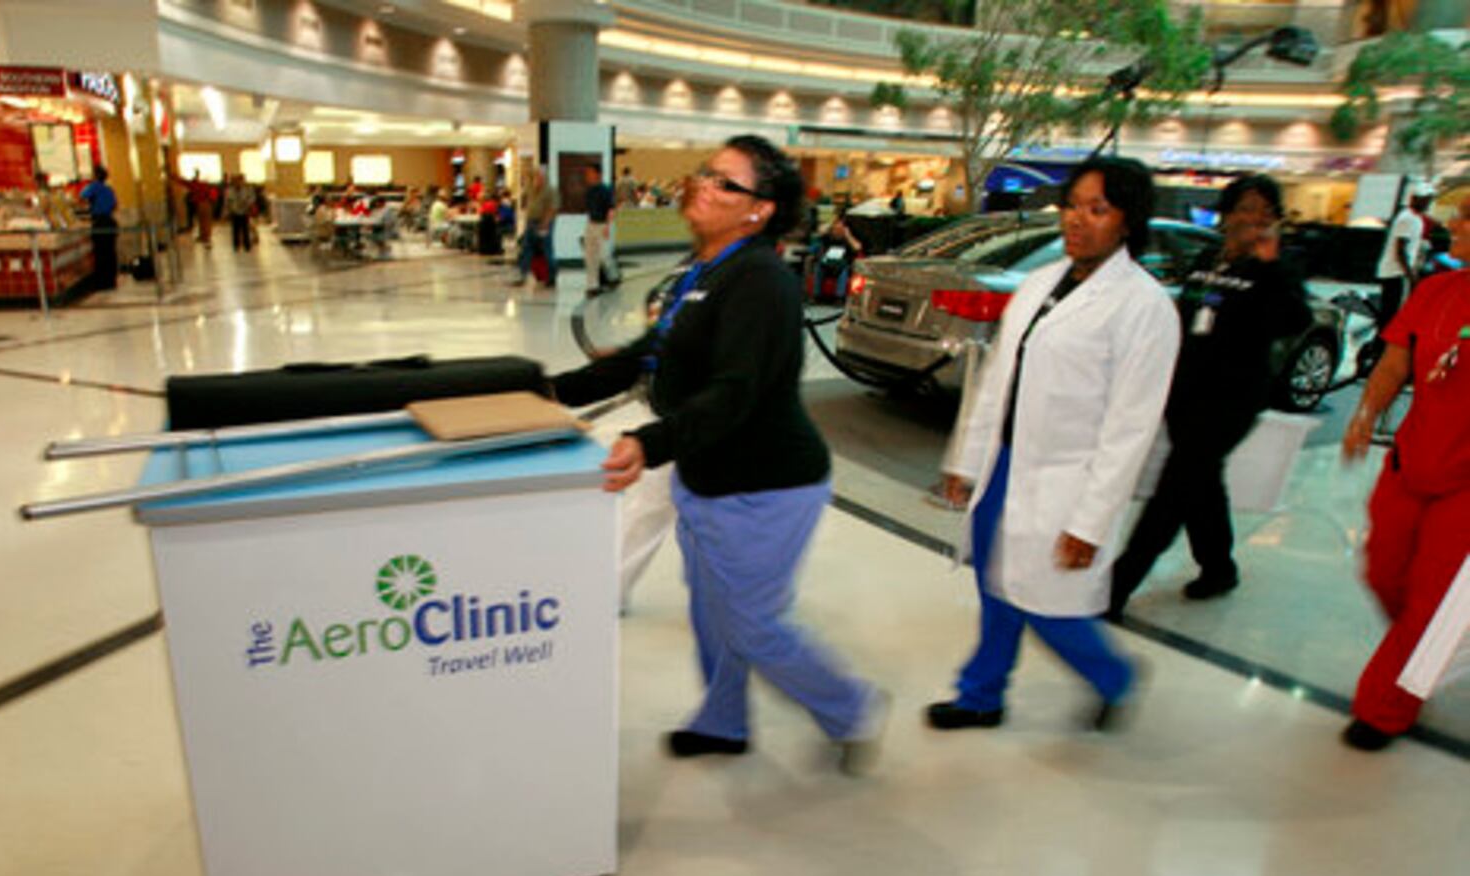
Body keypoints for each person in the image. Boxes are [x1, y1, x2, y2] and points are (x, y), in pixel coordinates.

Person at [548, 135, 888, 772]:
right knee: (712, 614)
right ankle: (724, 720)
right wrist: (548, 393)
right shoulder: (703, 270)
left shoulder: (761, 281)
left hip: (767, 485)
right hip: (706, 475)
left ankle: (853, 708)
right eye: (707, 173)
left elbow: (735, 392)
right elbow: (643, 358)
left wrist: (648, 442)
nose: (703, 185)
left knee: (751, 624)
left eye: (726, 183)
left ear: (759, 210)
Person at [926, 158, 1180, 733]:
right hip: (1005, 465)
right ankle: (981, 695)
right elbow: (996, 381)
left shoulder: (1144, 307)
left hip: (1069, 479)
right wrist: (966, 461)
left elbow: (1131, 430)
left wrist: (1091, 523)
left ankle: (1114, 676)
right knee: (995, 584)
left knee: (1047, 604)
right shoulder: (1041, 283)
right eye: (1072, 205)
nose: (1077, 219)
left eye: (1098, 209)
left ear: (1128, 221)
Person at [1108, 175, 1313, 615]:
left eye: (1266, 211)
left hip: (1232, 397)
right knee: (1199, 482)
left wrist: (1269, 265)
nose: (1255, 218)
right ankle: (1219, 567)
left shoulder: (1278, 268)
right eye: (1246, 208)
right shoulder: (1208, 258)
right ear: (1226, 215)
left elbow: (1294, 321)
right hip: (1186, 390)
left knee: (1174, 487)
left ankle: (1117, 586)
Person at [1338, 195, 1470, 751]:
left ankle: (1385, 709)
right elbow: (1395, 360)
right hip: (1411, 462)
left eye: (1468, 218)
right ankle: (1423, 644)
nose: (1455, 225)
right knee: (1384, 574)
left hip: (1464, 486)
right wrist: (1366, 415)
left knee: (1431, 598)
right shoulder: (1436, 290)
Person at [1374, 187, 1432, 332]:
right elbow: (1400, 249)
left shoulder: (1415, 218)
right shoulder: (1407, 219)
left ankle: (1382, 339)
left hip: (1398, 271)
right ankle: (1382, 341)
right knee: (1392, 312)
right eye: (1425, 200)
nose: (1427, 204)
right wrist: (1410, 275)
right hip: (1395, 272)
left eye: (1428, 200)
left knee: (1391, 310)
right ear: (1414, 199)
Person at [511, 164, 557, 288]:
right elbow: (526, 200)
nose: (537, 178)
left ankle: (551, 276)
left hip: (544, 223)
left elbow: (552, 209)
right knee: (526, 249)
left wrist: (545, 223)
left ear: (545, 177)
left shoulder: (550, 191)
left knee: (547, 250)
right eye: (536, 176)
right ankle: (522, 275)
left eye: (539, 176)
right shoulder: (531, 189)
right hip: (531, 222)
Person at [79, 165, 119, 291]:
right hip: (110, 222)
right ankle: (111, 280)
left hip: (100, 223)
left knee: (101, 253)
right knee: (110, 252)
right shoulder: (109, 190)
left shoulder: (94, 187)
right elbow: (115, 205)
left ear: (95, 175)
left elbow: (82, 196)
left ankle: (102, 282)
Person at [582, 163, 619, 297]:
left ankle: (614, 276)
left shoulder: (605, 190)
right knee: (590, 257)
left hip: (603, 225)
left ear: (597, 174)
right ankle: (593, 285)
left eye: (590, 172)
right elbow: (589, 209)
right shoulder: (589, 191)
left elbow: (611, 210)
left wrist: (608, 227)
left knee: (604, 255)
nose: (587, 175)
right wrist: (588, 226)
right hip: (591, 225)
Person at [225, 175, 255, 252]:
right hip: (235, 212)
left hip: (244, 211)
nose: (238, 183)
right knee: (235, 230)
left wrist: (247, 203)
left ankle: (247, 245)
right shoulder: (230, 190)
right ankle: (236, 246)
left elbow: (252, 198)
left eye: (240, 181)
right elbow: (227, 201)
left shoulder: (247, 189)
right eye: (236, 182)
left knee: (245, 229)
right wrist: (227, 211)